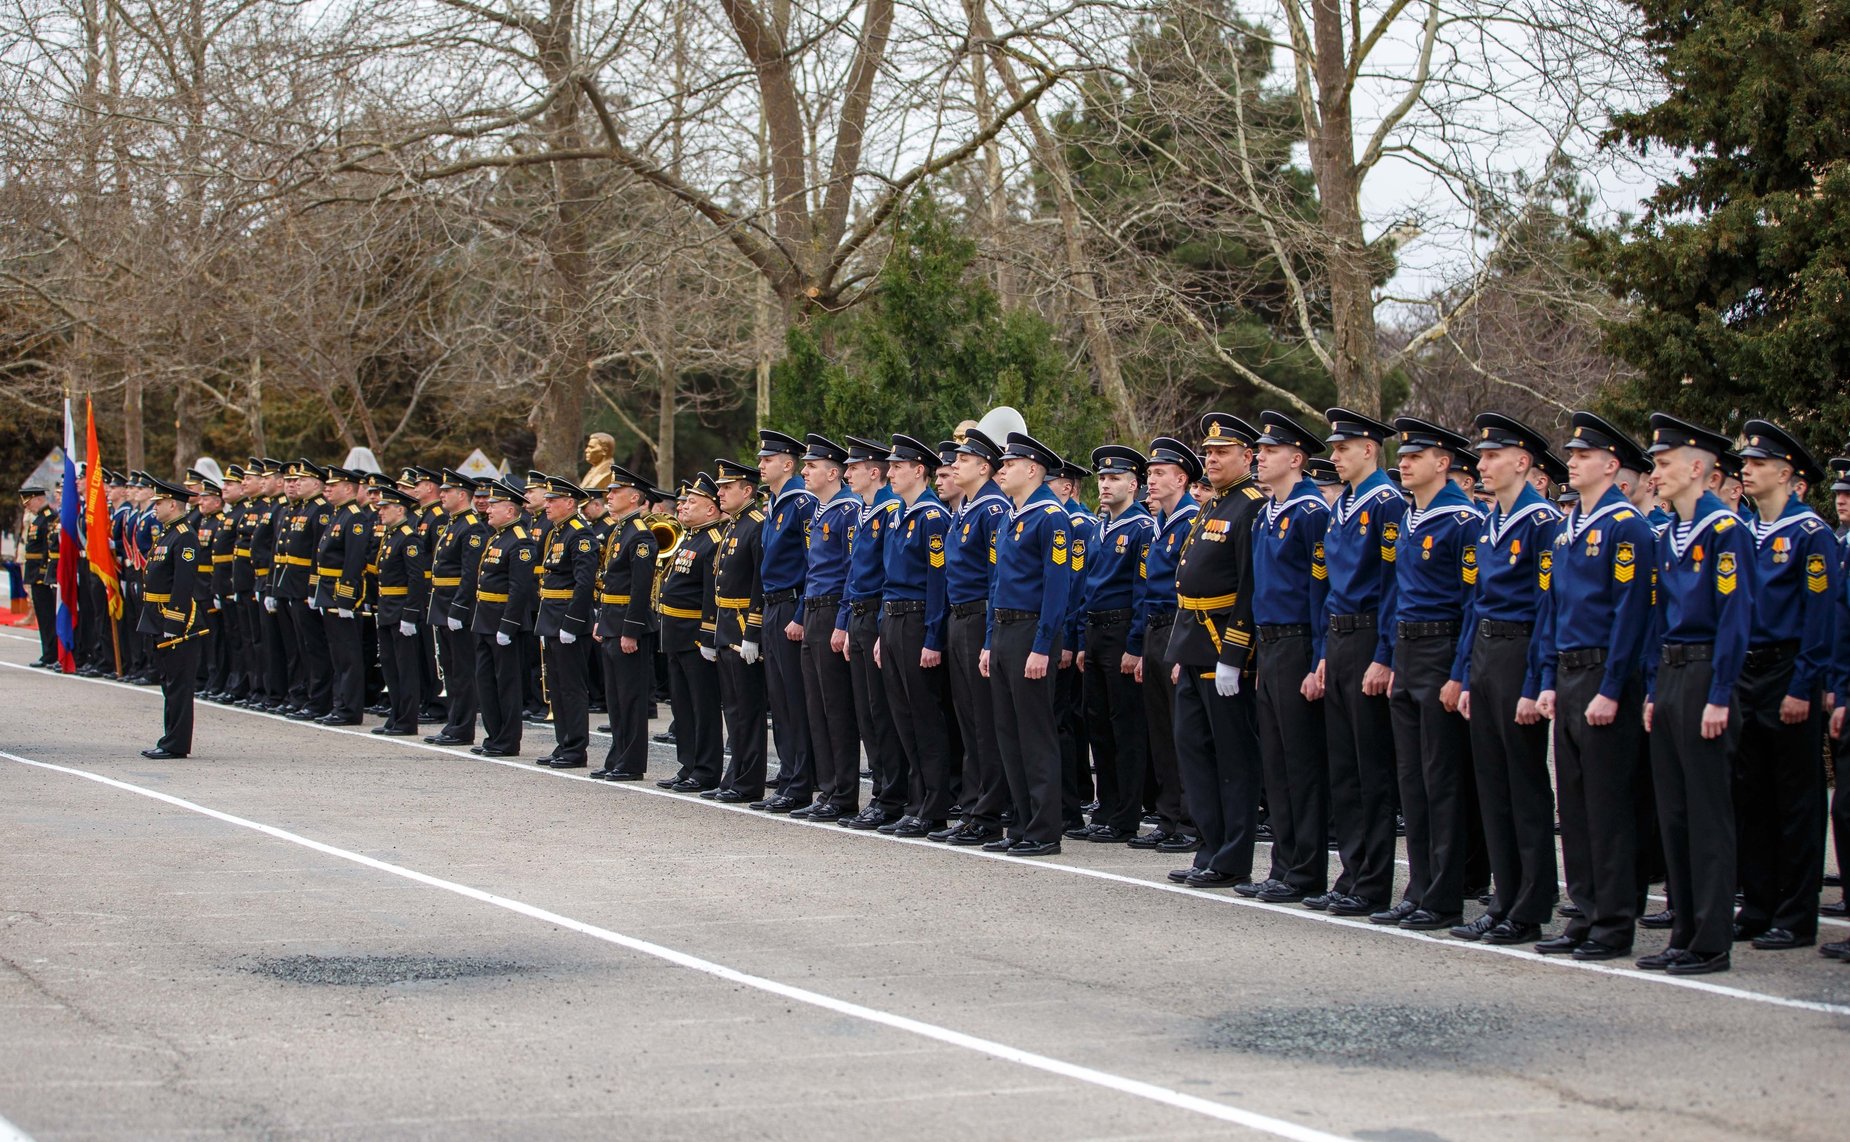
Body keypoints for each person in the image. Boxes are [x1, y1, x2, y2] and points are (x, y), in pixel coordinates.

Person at [1532, 412, 1656, 962]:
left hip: (1608, 672)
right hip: (1571, 670)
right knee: (1576, 804)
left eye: (1582, 457)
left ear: (1611, 466)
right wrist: (1551, 678)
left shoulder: (1626, 526)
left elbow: (1632, 613)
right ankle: (1583, 910)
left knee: (1608, 804)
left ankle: (1613, 920)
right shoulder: (1568, 528)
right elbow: (1556, 607)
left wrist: (1611, 685)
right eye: (1571, 456)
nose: (1572, 464)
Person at [1634, 413, 1755, 975]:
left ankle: (1710, 938)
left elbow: (1734, 619)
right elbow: (1660, 618)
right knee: (1676, 811)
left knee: (1707, 813)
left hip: (1708, 673)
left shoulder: (1725, 531)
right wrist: (1656, 688)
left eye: (1662, 464)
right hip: (1674, 673)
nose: (1654, 474)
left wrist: (1721, 693)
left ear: (1698, 468)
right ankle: (1684, 930)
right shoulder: (1671, 535)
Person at [1453, 414, 1563, 945]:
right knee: (1492, 786)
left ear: (1523, 462)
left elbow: (1548, 606)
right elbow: (1474, 603)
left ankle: (1531, 904)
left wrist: (1536, 681)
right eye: (1481, 456)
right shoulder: (1487, 521)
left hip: (1521, 649)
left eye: (1493, 457)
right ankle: (1504, 898)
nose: (1482, 465)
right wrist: (1467, 674)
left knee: (1524, 786)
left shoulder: (1542, 521)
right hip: (1488, 649)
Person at [1376, 417, 1482, 930]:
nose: (1405, 463)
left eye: (1415, 456)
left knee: (1442, 779)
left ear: (1443, 463)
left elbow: (1471, 603)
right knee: (1412, 779)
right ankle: (1419, 887)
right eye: (1403, 455)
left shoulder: (1462, 520)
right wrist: (1393, 657)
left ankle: (1445, 893)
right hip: (1409, 649)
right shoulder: (1411, 516)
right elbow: (1397, 594)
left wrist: (1459, 672)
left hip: (1442, 648)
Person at [1732, 420, 1833, 951]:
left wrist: (1804, 683)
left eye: (1757, 464)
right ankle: (1759, 903)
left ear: (1786, 473)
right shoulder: (1743, 531)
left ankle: (1796, 913)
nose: (1746, 470)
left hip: (1787, 669)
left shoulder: (1809, 534)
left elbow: (1821, 617)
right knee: (1752, 793)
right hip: (1746, 671)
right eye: (1745, 464)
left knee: (1796, 797)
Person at [1166, 414, 1265, 889]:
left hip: (1223, 648)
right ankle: (1209, 848)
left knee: (1232, 760)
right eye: (1209, 452)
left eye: (1223, 452)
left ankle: (1232, 857)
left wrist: (1236, 654)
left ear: (1247, 457)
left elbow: (1249, 586)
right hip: (1193, 644)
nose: (1213, 459)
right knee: (1195, 753)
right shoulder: (1216, 503)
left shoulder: (1249, 506)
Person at [1316, 408, 1405, 916]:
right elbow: (1330, 585)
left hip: (1370, 633)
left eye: (1343, 448)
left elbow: (1391, 585)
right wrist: (1326, 652)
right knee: (1344, 767)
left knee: (1372, 768)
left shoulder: (1387, 503)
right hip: (1340, 636)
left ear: (1369, 449)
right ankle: (1351, 872)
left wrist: (1383, 653)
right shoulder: (1344, 505)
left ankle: (1373, 880)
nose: (1336, 456)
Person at [1246, 412, 1331, 904]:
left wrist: (1318, 657)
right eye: (1259, 451)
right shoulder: (1266, 513)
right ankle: (1283, 865)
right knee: (1275, 762)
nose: (1260, 457)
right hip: (1271, 643)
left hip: (1300, 641)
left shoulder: (1310, 512)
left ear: (1296, 459)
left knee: (1301, 763)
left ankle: (1306, 870)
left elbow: (1320, 589)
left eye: (1270, 451)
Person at [982, 431, 1075, 856]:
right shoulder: (1009, 517)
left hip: (1031, 632)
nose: (1002, 471)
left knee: (1035, 734)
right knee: (1009, 733)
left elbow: (1058, 589)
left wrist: (1043, 645)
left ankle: (1043, 829)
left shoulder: (1050, 517)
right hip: (1003, 632)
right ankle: (1020, 822)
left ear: (1033, 469)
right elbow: (996, 583)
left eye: (1010, 465)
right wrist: (988, 641)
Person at [1076, 445, 1156, 844]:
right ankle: (1106, 809)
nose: (1105, 485)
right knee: (1099, 725)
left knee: (1126, 726)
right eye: (1102, 478)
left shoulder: (1141, 527)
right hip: (1095, 631)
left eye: (1114, 479)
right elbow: (1084, 587)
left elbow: (1143, 589)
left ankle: (1126, 814)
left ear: (1134, 484)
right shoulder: (1098, 526)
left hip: (1122, 629)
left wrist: (1136, 643)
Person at [876, 434, 954, 838]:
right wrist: (879, 632)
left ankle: (933, 805)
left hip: (917, 621)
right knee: (902, 717)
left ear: (918, 470)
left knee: (925, 717)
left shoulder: (932, 518)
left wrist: (932, 637)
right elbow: (889, 580)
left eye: (897, 467)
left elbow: (938, 581)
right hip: (892, 621)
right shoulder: (896, 515)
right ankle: (915, 801)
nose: (890, 473)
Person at [1131, 437, 1200, 852]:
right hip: (1154, 630)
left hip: (1178, 626)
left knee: (1183, 731)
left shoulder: (1192, 520)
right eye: (1149, 475)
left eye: (1159, 474)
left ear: (1182, 478)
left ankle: (1191, 820)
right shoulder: (1159, 524)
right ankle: (1168, 815)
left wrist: (1181, 649)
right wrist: (1140, 647)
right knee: (1159, 728)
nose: (1150, 481)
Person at [837, 438, 907, 830]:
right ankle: (881, 790)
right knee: (867, 712)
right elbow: (854, 574)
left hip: (880, 616)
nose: (847, 474)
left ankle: (891, 795)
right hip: (859, 617)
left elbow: (887, 576)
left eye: (854, 468)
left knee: (883, 713)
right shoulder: (866, 512)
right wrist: (847, 621)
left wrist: (877, 625)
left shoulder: (890, 511)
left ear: (873, 472)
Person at [792, 435, 862, 820]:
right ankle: (830, 787)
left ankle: (844, 792)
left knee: (836, 708)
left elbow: (851, 570)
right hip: (814, 610)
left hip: (834, 608)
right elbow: (812, 571)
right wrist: (802, 616)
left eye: (811, 466)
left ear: (832, 472)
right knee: (817, 706)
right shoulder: (821, 511)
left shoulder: (847, 510)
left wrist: (842, 621)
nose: (804, 471)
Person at [755, 429, 818, 811]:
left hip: (792, 605)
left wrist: (800, 614)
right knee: (778, 698)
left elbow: (815, 564)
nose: (760, 465)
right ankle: (789, 772)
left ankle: (800, 780)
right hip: (773, 604)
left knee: (795, 698)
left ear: (787, 464)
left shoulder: (802, 504)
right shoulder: (777, 503)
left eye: (768, 459)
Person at [655, 475, 726, 793]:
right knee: (682, 705)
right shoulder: (690, 537)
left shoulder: (713, 540)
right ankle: (688, 764)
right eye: (682, 502)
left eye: (691, 502)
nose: (682, 506)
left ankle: (707, 769)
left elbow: (712, 595)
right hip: (675, 633)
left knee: (703, 705)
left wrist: (707, 637)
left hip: (695, 635)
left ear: (711, 509)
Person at [591, 465, 658, 780]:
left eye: (615, 492)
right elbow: (610, 582)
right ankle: (617, 756)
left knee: (630, 698)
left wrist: (630, 631)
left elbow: (640, 588)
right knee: (615, 698)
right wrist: (602, 621)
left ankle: (630, 763)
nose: (609, 496)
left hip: (627, 626)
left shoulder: (640, 535)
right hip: (611, 622)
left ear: (634, 497)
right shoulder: (620, 529)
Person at [709, 459, 768, 803]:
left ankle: (748, 780)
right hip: (727, 624)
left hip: (744, 624)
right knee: (732, 708)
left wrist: (753, 631)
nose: (720, 493)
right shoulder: (734, 525)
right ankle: (735, 773)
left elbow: (759, 580)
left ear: (747, 490)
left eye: (727, 488)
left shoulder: (755, 525)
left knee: (748, 708)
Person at [470, 478, 539, 758]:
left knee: (507, 683)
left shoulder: (521, 542)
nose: (488, 509)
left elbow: (519, 589)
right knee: (485, 681)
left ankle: (507, 740)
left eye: (494, 505)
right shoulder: (498, 536)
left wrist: (508, 625)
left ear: (510, 511)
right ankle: (493, 735)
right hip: (485, 618)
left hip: (503, 621)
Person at [533, 475, 598, 769]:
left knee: (571, 688)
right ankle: (564, 743)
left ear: (569, 503)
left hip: (568, 621)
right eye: (546, 500)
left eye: (552, 500)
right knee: (556, 687)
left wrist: (572, 623)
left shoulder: (579, 535)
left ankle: (575, 749)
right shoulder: (558, 532)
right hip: (552, 617)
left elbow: (584, 584)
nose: (546, 505)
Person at [137, 476, 204, 759]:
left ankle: (176, 744)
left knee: (178, 685)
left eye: (160, 502)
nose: (155, 507)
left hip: (175, 620)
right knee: (168, 682)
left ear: (174, 505)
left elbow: (182, 584)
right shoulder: (168, 533)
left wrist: (174, 622)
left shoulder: (185, 535)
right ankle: (169, 738)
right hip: (157, 616)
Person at [426, 471, 490, 746]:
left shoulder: (472, 527)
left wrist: (459, 607)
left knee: (462, 670)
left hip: (457, 606)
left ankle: (463, 727)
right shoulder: (453, 524)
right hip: (442, 603)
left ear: (462, 495)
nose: (441, 495)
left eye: (446, 491)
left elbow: (470, 573)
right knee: (450, 669)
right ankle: (454, 722)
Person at [371, 486, 429, 736]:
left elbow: (416, 580)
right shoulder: (392, 535)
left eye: (385, 507)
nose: (381, 511)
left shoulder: (409, 538)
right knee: (390, 665)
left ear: (400, 509)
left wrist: (409, 614)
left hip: (400, 610)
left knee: (405, 668)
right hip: (387, 609)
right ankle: (395, 715)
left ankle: (406, 720)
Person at [20, 485, 58, 668]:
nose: (27, 507)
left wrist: (44, 573)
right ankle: (47, 652)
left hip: (42, 575)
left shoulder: (49, 518)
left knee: (48, 616)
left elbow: (48, 550)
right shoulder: (39, 519)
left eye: (29, 503)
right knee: (43, 617)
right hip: (35, 574)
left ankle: (51, 653)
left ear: (38, 499)